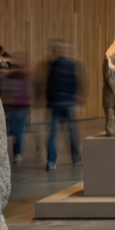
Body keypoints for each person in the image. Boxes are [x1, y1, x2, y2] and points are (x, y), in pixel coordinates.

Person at [45, 41, 82, 171]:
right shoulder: (72, 65)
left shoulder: (52, 66)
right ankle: (76, 157)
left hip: (55, 104)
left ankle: (51, 161)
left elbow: (49, 86)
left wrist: (49, 101)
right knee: (72, 132)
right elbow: (76, 83)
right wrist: (76, 100)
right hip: (67, 103)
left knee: (52, 134)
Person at [0, 50, 32, 164]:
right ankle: (16, 153)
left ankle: (15, 153)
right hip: (15, 105)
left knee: (15, 131)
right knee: (15, 131)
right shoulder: (18, 74)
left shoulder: (14, 74)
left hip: (16, 105)